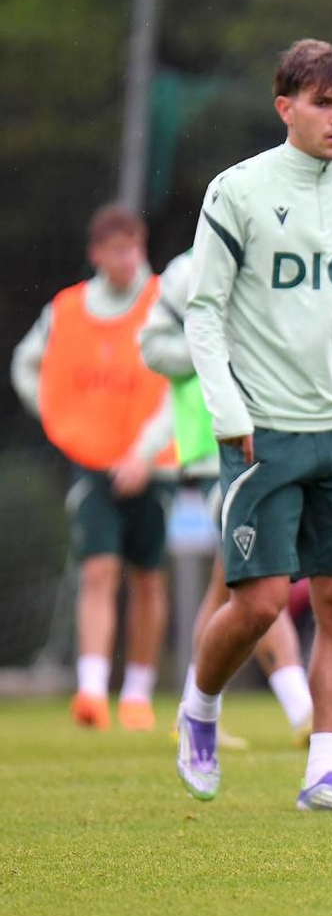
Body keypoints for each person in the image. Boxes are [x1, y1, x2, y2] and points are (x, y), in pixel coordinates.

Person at [173, 39, 332, 811]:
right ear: (286, 107)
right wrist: (226, 409)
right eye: (323, 103)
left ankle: (324, 773)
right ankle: (199, 708)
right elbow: (202, 313)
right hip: (261, 431)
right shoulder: (237, 191)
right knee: (261, 603)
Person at [140, 247, 315, 750]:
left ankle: (192, 712)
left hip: (264, 447)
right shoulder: (185, 271)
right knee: (261, 582)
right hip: (211, 456)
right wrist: (213, 349)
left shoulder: (280, 258)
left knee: (228, 589)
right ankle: (302, 710)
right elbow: (151, 347)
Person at [11, 205, 178, 732]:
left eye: (133, 247)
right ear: (96, 254)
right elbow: (27, 364)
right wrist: (64, 421)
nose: (126, 258)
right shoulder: (69, 308)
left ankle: (137, 693)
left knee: (148, 577)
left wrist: (144, 454)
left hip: (155, 466)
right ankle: (90, 691)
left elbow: (182, 384)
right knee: (97, 570)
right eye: (115, 249)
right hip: (93, 466)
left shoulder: (164, 302)